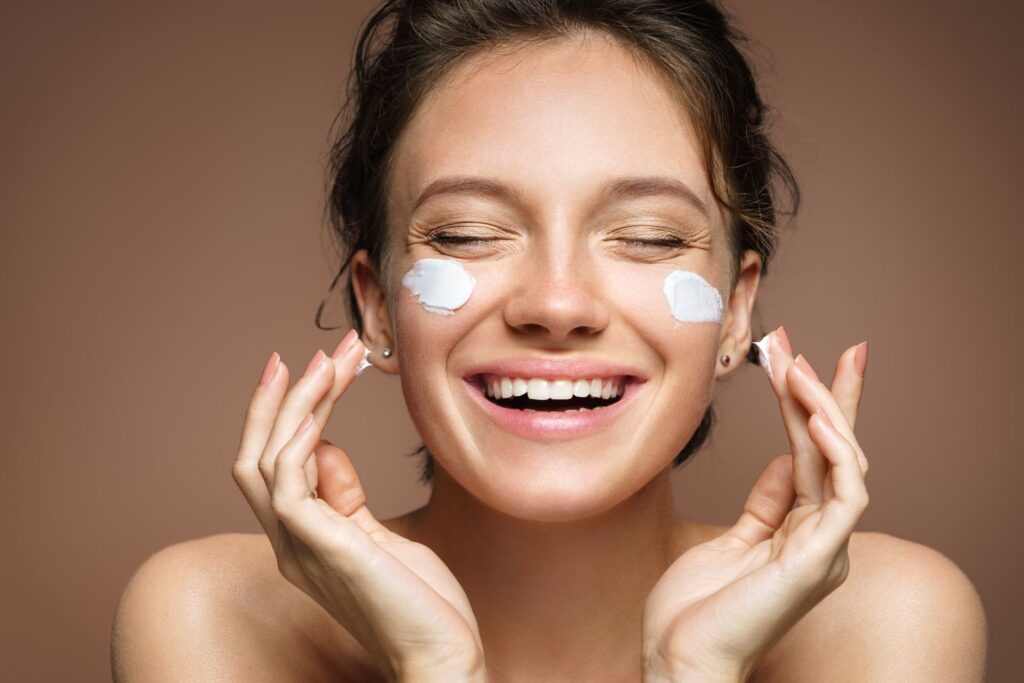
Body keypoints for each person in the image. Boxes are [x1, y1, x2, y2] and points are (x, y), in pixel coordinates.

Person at [111, 1, 987, 681]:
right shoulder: (215, 618)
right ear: (375, 309)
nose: (557, 303)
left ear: (734, 314)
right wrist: (437, 667)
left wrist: (693, 671)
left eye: (647, 235)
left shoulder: (887, 621)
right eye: (467, 233)